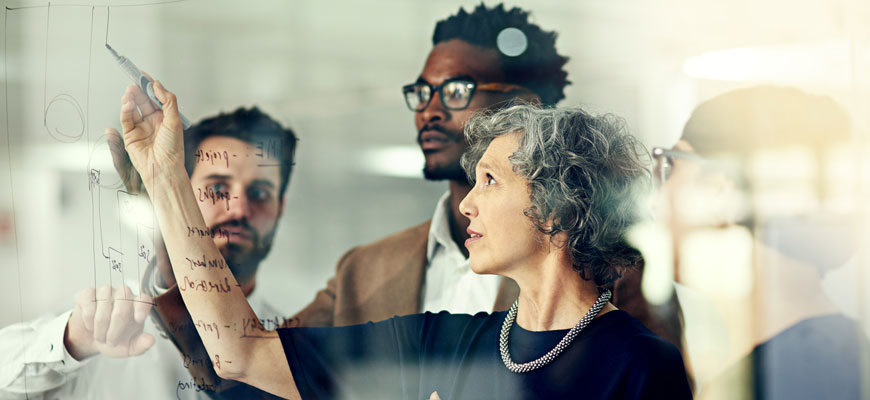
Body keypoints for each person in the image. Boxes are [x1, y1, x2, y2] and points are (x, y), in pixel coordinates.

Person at [116, 74, 692, 398]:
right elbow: (238, 351)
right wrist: (165, 177)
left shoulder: (642, 369)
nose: (466, 201)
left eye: (489, 180)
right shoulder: (442, 344)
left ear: (556, 208)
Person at [289, 3, 571, 326]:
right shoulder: (363, 271)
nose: (428, 111)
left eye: (456, 90)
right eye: (423, 92)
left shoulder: (591, 270)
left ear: (527, 107)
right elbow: (254, 358)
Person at [0, 107, 298, 399]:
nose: (239, 209)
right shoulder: (100, 318)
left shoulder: (297, 350)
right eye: (217, 187)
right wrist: (74, 340)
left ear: (280, 208)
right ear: (182, 193)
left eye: (259, 193)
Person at [653, 85, 866, 399]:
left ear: (721, 192)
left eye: (673, 167)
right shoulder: (828, 356)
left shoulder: (795, 375)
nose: (658, 201)